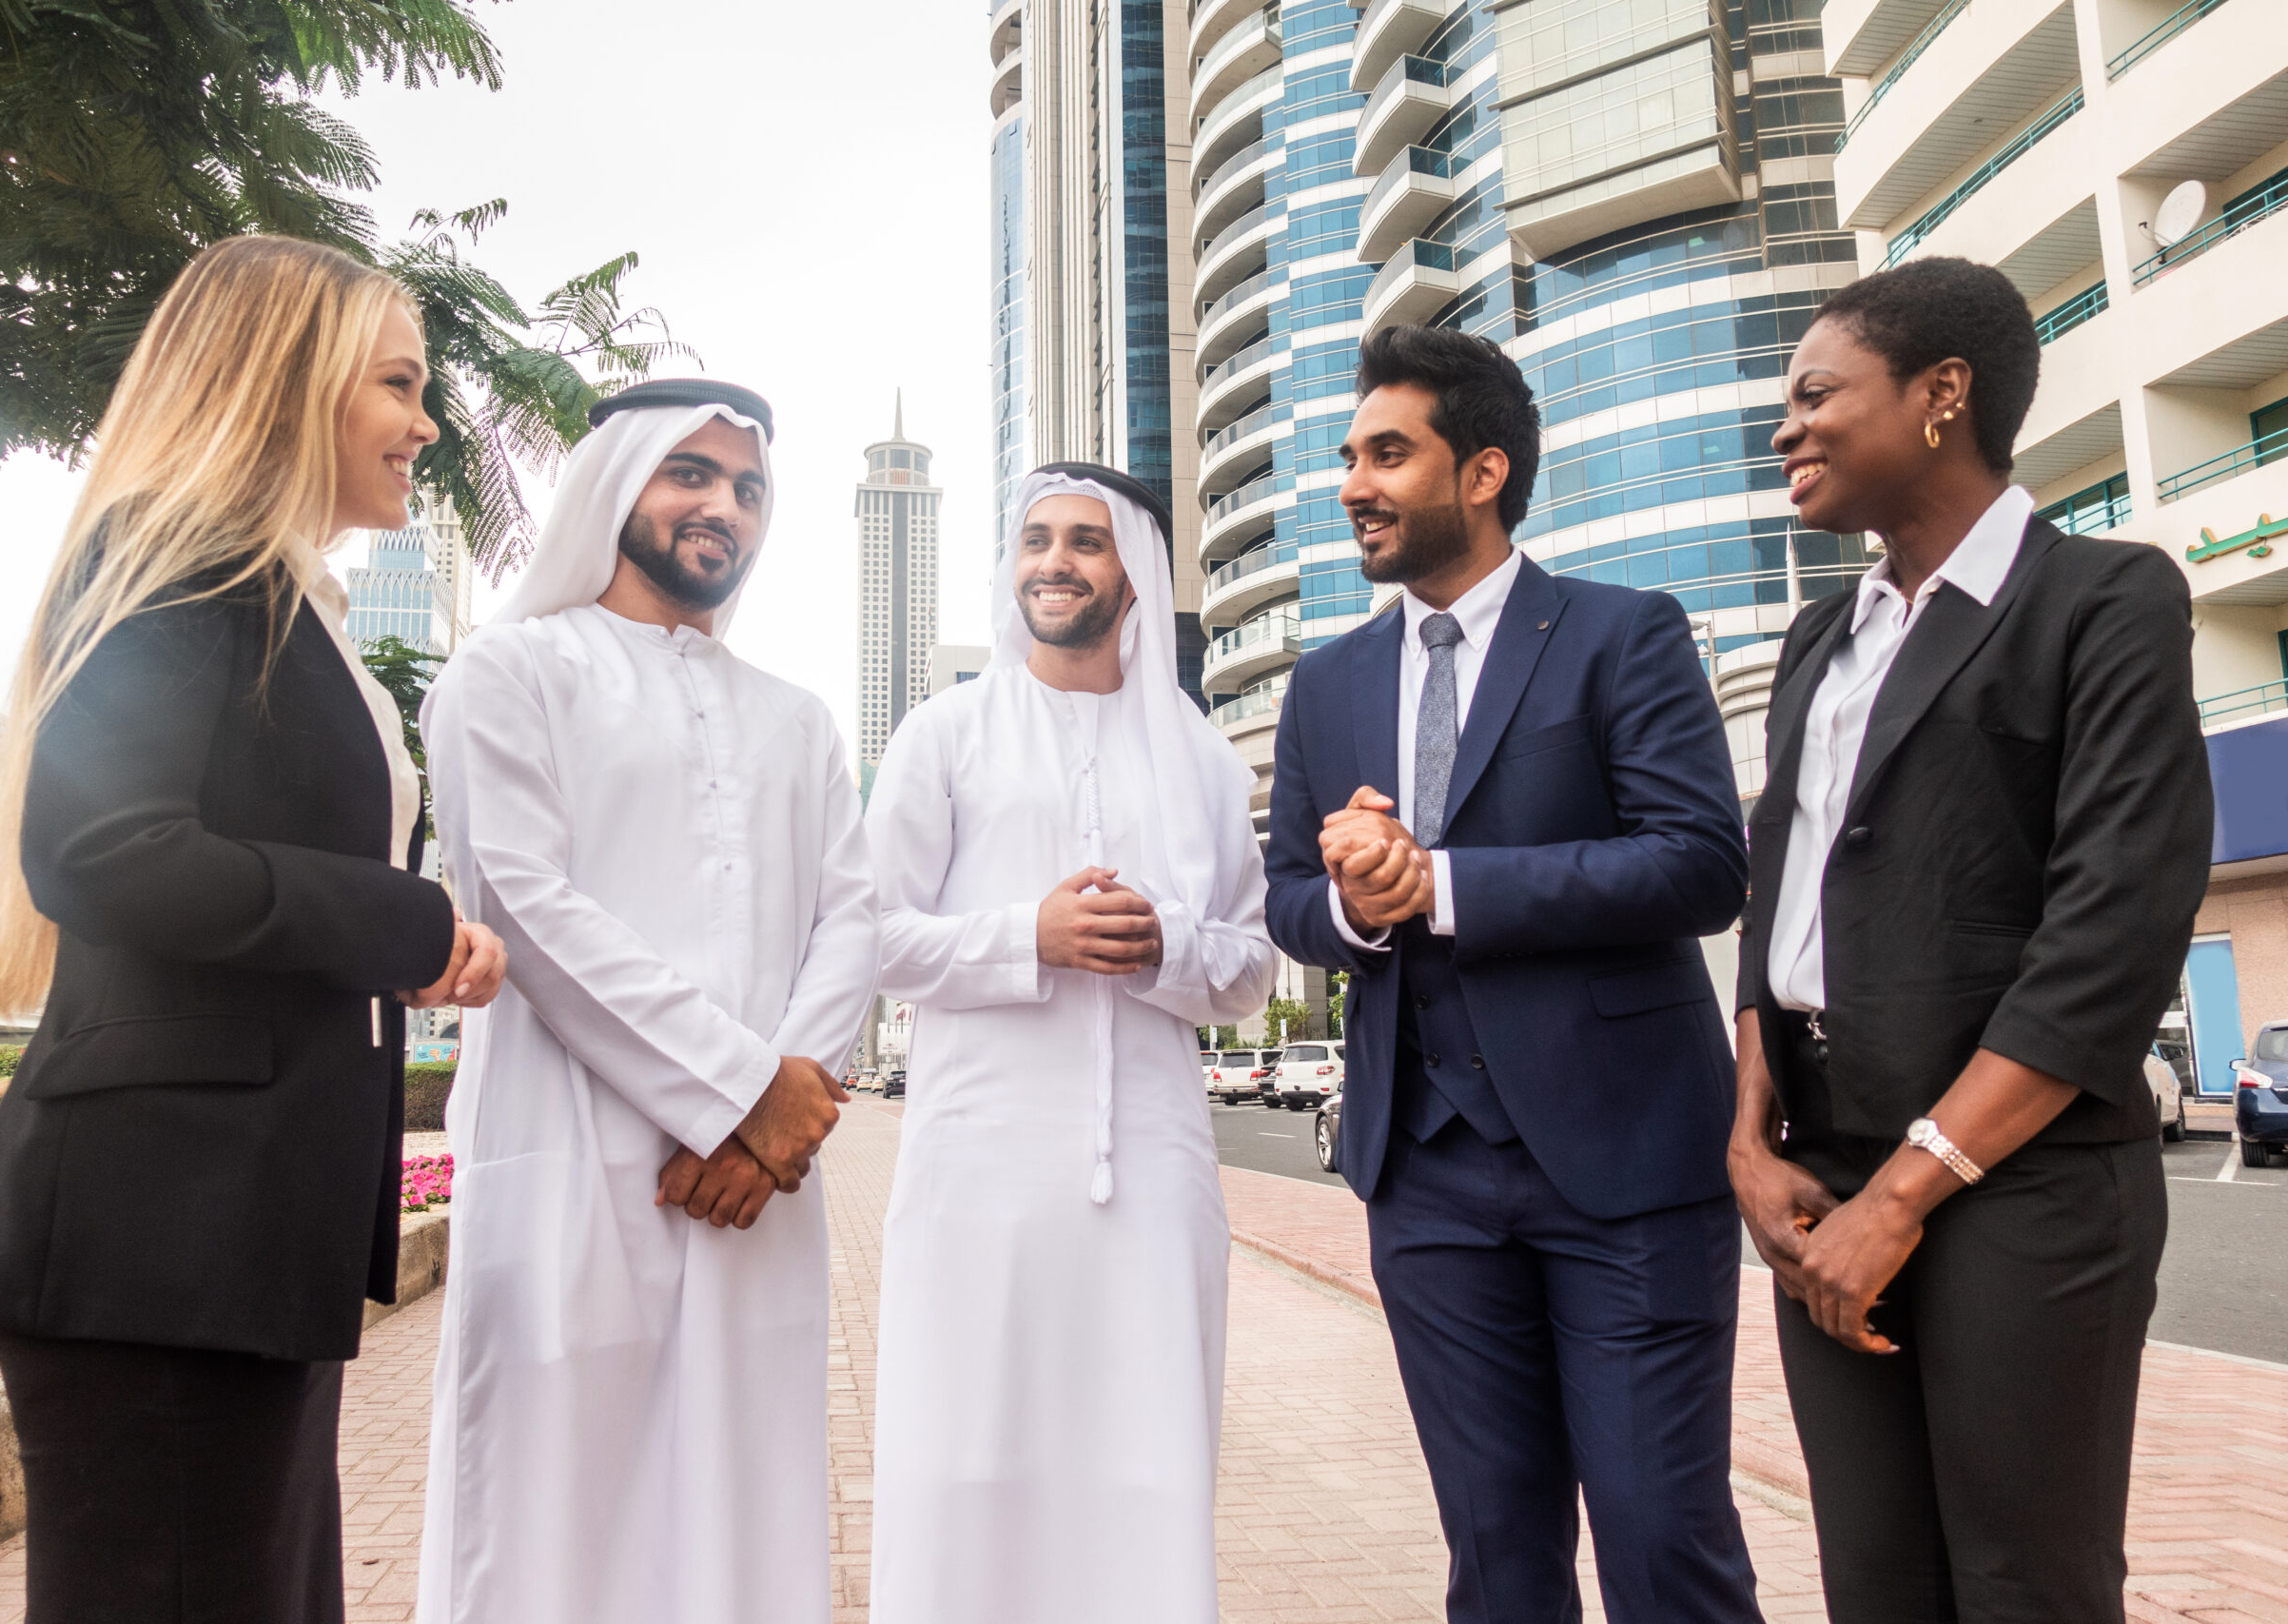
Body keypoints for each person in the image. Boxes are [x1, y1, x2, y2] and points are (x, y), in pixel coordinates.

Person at [0, 235, 509, 1623]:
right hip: (159, 1229)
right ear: (290, 380)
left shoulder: (291, 595)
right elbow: (103, 848)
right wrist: (403, 915)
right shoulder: (183, 560)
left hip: (231, 1230)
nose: (425, 422)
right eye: (398, 382)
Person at [1729, 257, 2207, 1623]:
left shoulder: (2105, 601)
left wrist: (1905, 1193)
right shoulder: (1825, 636)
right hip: (1822, 1174)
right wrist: (1749, 1136)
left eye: (1818, 393)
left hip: (2022, 1179)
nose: (1786, 428)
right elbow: (1782, 895)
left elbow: (2108, 934)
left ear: (1944, 394)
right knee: (1875, 1579)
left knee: (2024, 1582)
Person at [1263, 324, 1762, 1624]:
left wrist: (1447, 882)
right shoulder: (1325, 685)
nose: (1351, 483)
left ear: (1482, 471)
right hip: (1420, 1172)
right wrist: (1362, 905)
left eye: (1385, 452)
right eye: (1347, 456)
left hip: (1625, 1166)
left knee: (1664, 1546)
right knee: (1496, 1557)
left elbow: (1700, 862)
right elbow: (1288, 900)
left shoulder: (1621, 634)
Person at [417, 378, 878, 1624]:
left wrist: (783, 1111)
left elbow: (855, 917)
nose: (721, 505)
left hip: (756, 1188)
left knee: (747, 1511)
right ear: (615, 485)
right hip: (572, 1159)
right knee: (550, 1519)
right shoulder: (504, 675)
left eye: (748, 487)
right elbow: (524, 904)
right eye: (690, 473)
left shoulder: (801, 720)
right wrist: (747, 1091)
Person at [863, 462, 1277, 1622]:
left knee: (1148, 1468)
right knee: (962, 1463)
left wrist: (1163, 949)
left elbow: (1248, 969)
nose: (1054, 561)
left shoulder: (1201, 760)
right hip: (976, 1169)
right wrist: (1026, 936)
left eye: (1086, 541)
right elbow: (870, 935)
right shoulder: (945, 732)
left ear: (1135, 575)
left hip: (1154, 1179)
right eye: (1036, 539)